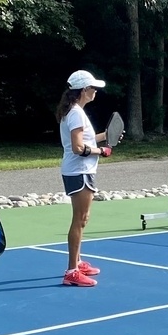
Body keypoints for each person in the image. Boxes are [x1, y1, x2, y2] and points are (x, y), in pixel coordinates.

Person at [57, 69, 116, 286]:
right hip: (79, 171)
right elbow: (78, 147)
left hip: (82, 171)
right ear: (84, 90)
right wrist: (102, 151)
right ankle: (71, 271)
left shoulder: (75, 112)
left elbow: (87, 139)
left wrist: (107, 137)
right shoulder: (76, 113)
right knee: (79, 220)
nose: (95, 91)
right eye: (93, 88)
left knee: (83, 219)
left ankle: (78, 262)